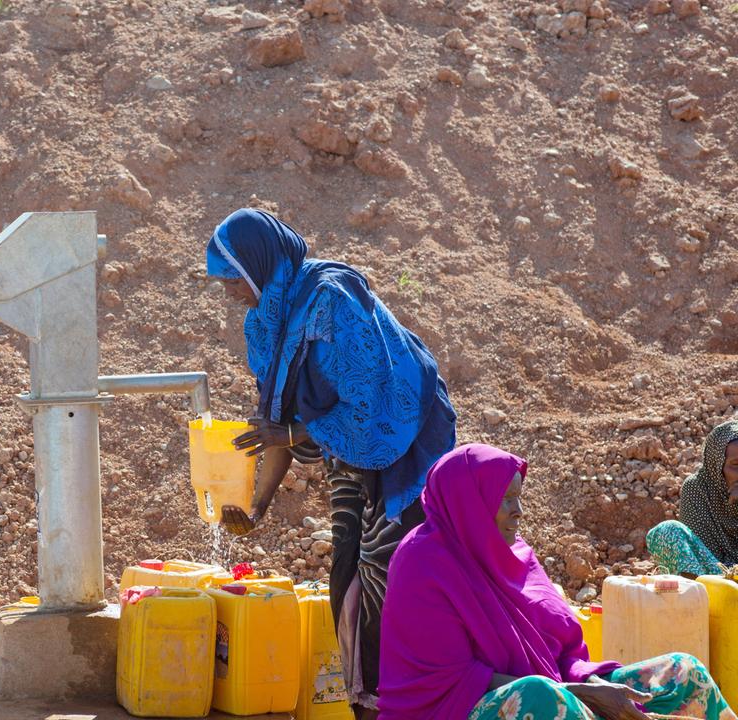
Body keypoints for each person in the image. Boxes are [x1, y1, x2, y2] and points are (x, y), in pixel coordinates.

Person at [205, 208, 457, 718]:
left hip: (406, 449)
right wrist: (257, 511)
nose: (230, 293)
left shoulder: (332, 299)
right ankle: (365, 706)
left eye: (233, 279)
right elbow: (271, 426)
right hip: (348, 454)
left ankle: (410, 704)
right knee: (347, 583)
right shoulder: (266, 326)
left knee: (395, 582)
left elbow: (375, 398)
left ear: (259, 263)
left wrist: (296, 432)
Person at [378, 443, 734, 720]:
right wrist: (580, 695)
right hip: (451, 708)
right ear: (469, 505)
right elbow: (453, 679)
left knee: (681, 671)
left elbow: (560, 651)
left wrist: (591, 683)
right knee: (540, 697)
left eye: (519, 498)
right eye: (505, 500)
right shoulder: (421, 563)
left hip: (557, 685)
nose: (518, 511)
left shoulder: (516, 556)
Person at [647, 420, 738, 578]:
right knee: (667, 531)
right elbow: (700, 554)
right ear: (717, 464)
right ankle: (693, 600)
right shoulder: (698, 490)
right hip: (716, 582)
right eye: (736, 464)